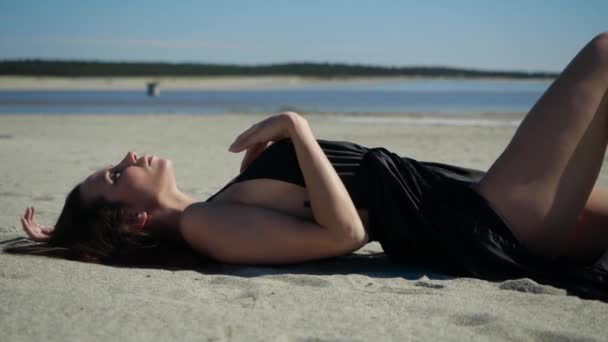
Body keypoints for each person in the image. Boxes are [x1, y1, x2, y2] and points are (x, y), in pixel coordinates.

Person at [6, 33, 608, 300]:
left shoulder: (215, 208)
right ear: (136, 217)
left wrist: (65, 235)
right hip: (483, 217)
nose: (128, 157)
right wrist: (298, 131)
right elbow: (343, 234)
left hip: (467, 193)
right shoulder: (204, 227)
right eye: (114, 175)